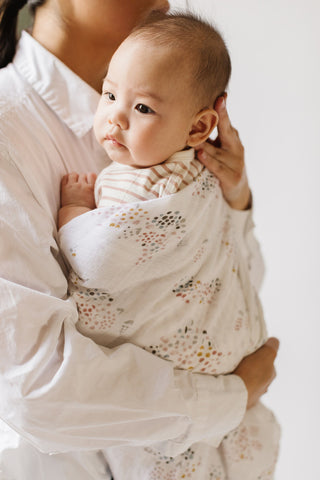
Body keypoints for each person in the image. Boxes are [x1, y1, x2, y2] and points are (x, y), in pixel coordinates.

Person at [0, 1, 279, 479]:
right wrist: (232, 397)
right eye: (114, 97)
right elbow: (34, 391)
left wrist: (235, 199)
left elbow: (232, 291)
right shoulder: (11, 130)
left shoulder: (174, 122)